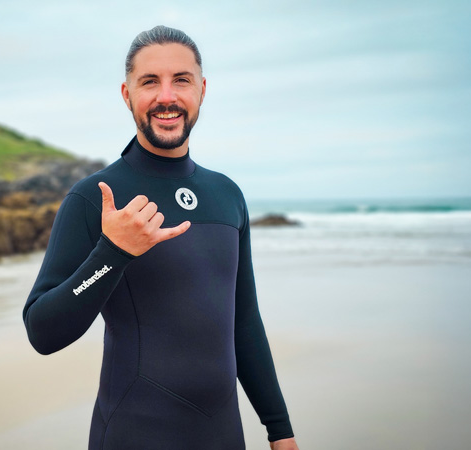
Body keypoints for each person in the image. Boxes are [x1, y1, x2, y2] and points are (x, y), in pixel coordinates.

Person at [23, 25, 300, 450]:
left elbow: (244, 322)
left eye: (181, 80)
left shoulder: (227, 195)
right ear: (126, 94)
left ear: (202, 90)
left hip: (224, 435)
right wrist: (112, 252)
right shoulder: (96, 199)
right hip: (135, 433)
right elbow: (42, 331)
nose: (166, 97)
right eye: (149, 82)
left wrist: (279, 430)